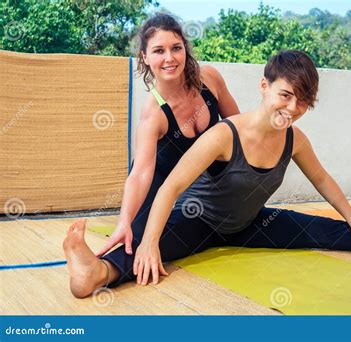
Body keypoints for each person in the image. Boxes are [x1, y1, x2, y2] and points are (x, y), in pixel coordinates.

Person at [64, 50, 351, 298]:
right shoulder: (223, 135)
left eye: (303, 101)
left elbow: (324, 181)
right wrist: (148, 240)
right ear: (264, 87)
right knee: (152, 253)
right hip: (200, 222)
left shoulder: (294, 140)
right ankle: (94, 273)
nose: (293, 108)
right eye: (285, 95)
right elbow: (172, 186)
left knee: (328, 229)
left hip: (251, 223)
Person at [61, 12, 239, 297]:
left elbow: (236, 127)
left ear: (185, 49)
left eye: (176, 48)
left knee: (193, 229)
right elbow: (141, 173)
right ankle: (93, 270)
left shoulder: (210, 80)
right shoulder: (153, 113)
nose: (169, 58)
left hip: (198, 185)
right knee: (144, 242)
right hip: (156, 185)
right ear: (144, 57)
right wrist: (124, 221)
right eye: (159, 51)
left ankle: (96, 271)